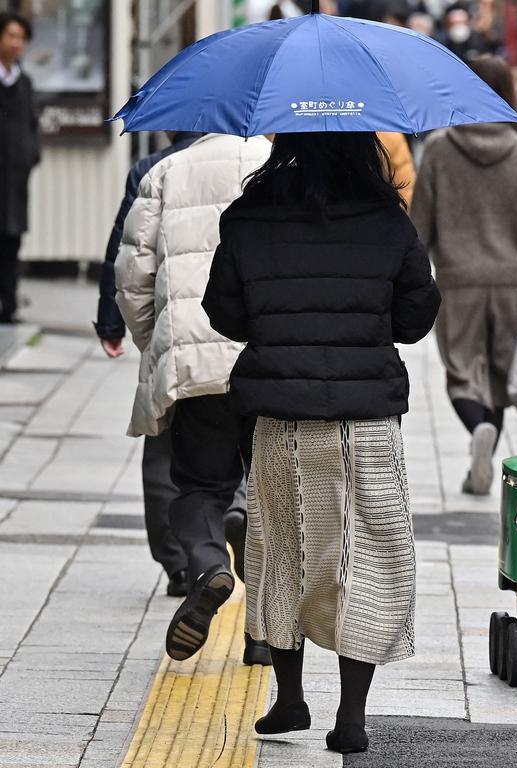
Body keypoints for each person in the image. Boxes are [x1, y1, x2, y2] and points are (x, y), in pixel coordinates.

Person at [203, 132, 440, 754]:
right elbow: (417, 318)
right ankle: (352, 717)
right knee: (361, 559)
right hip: (364, 422)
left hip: (280, 418)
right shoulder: (386, 218)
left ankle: (289, 699)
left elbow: (223, 312)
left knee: (282, 553)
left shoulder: (250, 215)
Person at [115, 133, 273, 666]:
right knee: (271, 499)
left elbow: (134, 279)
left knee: (199, 486)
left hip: (193, 362)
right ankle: (264, 635)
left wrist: (157, 346)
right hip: (266, 361)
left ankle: (208, 564)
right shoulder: (276, 164)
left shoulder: (165, 172)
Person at [411, 56, 517, 495]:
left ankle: (477, 436)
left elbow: (420, 224)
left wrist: (412, 276)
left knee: (462, 373)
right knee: (499, 378)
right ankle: (481, 463)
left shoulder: (438, 148)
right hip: (513, 280)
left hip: (458, 280)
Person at [96, 131, 201, 598]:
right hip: (238, 334)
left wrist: (124, 327)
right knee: (241, 442)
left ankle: (178, 564)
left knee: (162, 449)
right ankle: (229, 525)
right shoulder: (260, 161)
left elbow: (125, 260)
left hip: (170, 328)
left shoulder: (152, 171)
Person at [0, 12, 39, 324]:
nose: (16, 43)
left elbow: (32, 126)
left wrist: (30, 155)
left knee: (12, 240)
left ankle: (9, 305)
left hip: (14, 178)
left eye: (21, 38)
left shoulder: (24, 83)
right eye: (10, 35)